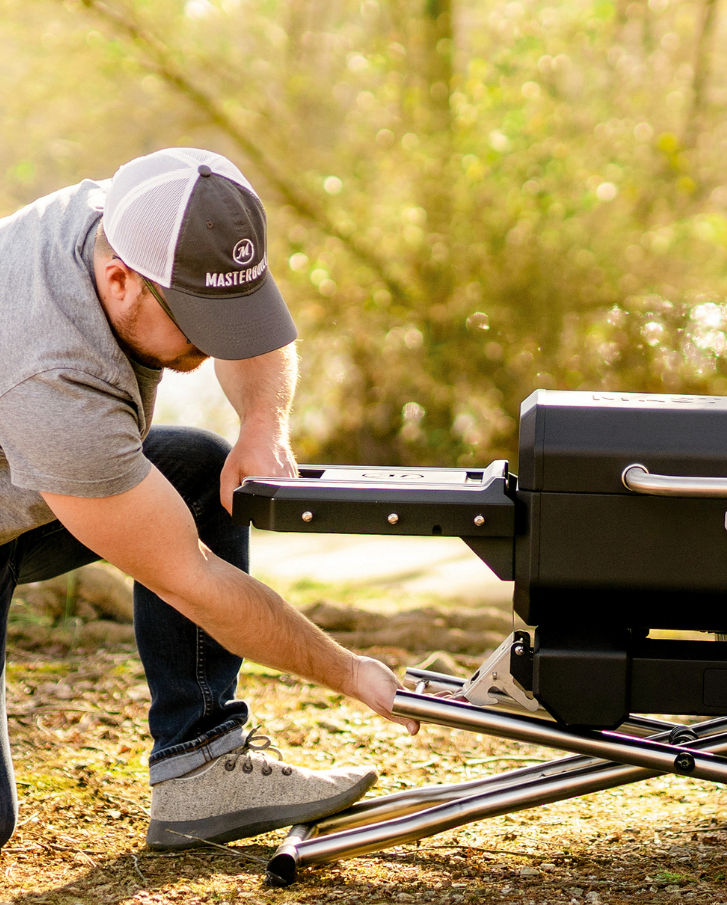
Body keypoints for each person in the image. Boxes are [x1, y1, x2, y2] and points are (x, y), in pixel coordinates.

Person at [0, 147, 418, 851]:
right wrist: (347, 673)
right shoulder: (53, 378)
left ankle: (200, 768)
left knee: (196, 468)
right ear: (120, 281)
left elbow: (251, 327)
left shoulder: (161, 219)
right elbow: (190, 579)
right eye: (200, 320)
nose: (218, 340)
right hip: (33, 453)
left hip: (22, 481)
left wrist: (262, 423)